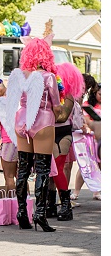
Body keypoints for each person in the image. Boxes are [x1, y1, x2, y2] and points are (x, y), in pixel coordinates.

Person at [12, 35, 61, 232]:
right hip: (42, 120)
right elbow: (56, 106)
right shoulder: (48, 77)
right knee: (42, 169)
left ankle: (21, 212)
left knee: (23, 169)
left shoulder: (20, 75)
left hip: (22, 120)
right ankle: (39, 214)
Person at [50, 63, 85, 221]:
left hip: (62, 135)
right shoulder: (50, 93)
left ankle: (65, 206)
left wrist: (46, 112)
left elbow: (63, 117)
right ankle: (50, 205)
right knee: (48, 171)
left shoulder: (69, 95)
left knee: (57, 168)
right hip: (48, 133)